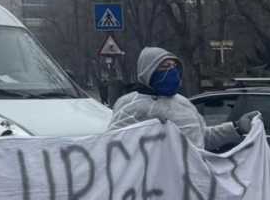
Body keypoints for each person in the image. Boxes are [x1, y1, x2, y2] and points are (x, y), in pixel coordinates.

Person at [109, 47, 258, 151]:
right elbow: (113, 146)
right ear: (148, 72)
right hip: (156, 188)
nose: (172, 71)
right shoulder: (131, 105)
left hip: (192, 183)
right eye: (165, 67)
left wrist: (237, 127)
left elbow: (203, 138)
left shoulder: (182, 102)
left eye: (174, 66)